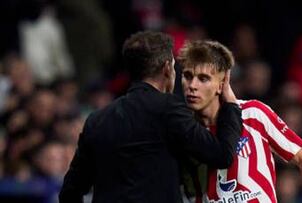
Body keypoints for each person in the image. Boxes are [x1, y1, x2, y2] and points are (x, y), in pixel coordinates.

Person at [59, 31, 242, 203]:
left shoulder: (97, 120)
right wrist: (231, 105)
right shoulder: (169, 110)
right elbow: (221, 155)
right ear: (167, 68)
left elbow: (70, 191)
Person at [177, 40, 302, 203]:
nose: (192, 85)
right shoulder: (181, 131)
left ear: (222, 82)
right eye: (188, 76)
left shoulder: (253, 113)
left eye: (203, 78)